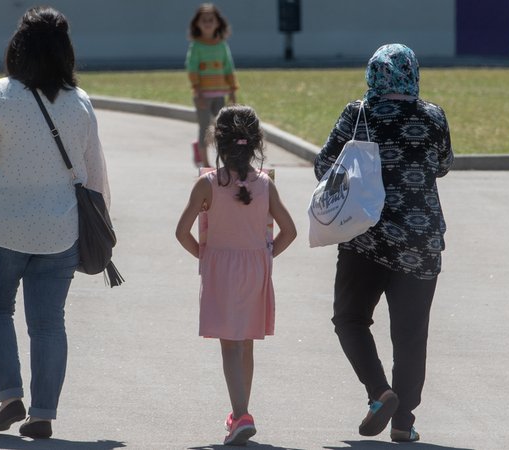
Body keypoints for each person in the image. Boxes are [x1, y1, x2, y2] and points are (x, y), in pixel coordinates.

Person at [0, 6, 110, 440]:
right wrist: (103, 226)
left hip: (0, 229)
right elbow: (94, 173)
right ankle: (43, 412)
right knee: (49, 324)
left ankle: (10, 396)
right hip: (60, 232)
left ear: (18, 48)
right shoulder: (79, 103)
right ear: (65, 52)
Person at [314, 44, 454, 443]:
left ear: (373, 75)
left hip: (365, 237)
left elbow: (325, 165)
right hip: (421, 241)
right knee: (411, 334)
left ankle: (380, 393)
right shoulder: (433, 117)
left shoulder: (358, 114)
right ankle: (404, 421)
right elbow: (443, 165)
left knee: (350, 319)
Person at [176, 105, 296, 446]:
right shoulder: (265, 184)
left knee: (229, 345)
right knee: (246, 344)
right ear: (256, 143)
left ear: (218, 143)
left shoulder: (207, 184)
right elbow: (288, 231)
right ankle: (240, 409)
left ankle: (241, 414)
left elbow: (182, 232)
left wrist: (204, 254)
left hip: (221, 268)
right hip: (256, 267)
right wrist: (266, 254)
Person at [186, 3, 238, 168]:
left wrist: (232, 90)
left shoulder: (222, 45)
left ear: (217, 23)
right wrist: (198, 91)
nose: (207, 23)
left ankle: (225, 161)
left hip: (219, 94)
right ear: (197, 24)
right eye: (204, 20)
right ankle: (206, 165)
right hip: (202, 96)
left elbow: (228, 67)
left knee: (222, 128)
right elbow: (192, 68)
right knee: (204, 128)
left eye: (211, 19)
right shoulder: (196, 46)